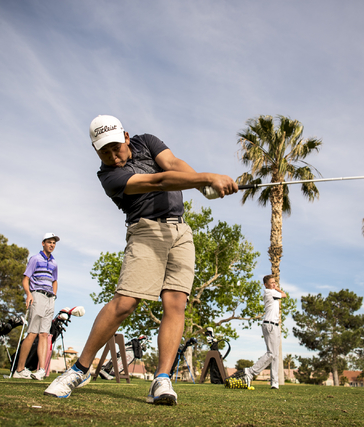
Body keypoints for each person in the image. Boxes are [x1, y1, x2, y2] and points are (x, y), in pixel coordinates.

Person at [44, 115, 238, 405]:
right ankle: (80, 369)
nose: (112, 156)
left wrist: (201, 185)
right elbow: (159, 181)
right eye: (103, 152)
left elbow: (173, 165)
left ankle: (162, 380)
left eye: (115, 147)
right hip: (145, 230)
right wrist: (206, 178)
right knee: (125, 302)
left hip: (181, 231)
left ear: (125, 136)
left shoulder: (146, 142)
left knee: (176, 303)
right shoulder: (109, 177)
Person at [12, 233, 60, 381]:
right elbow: (26, 279)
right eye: (49, 242)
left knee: (44, 334)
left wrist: (54, 295)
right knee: (32, 333)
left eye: (54, 243)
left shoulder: (54, 263)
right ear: (43, 243)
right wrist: (29, 294)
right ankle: (19, 369)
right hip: (37, 295)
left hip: (49, 298)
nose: (52, 245)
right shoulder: (35, 259)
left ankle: (41, 370)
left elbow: (55, 280)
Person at [229, 275, 286, 389]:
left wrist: (275, 287)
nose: (274, 284)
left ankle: (275, 382)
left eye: (275, 282)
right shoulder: (269, 292)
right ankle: (250, 372)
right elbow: (284, 295)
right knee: (271, 354)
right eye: (271, 283)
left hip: (274, 325)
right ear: (266, 285)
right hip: (270, 325)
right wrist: (277, 288)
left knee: (275, 355)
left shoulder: (272, 292)